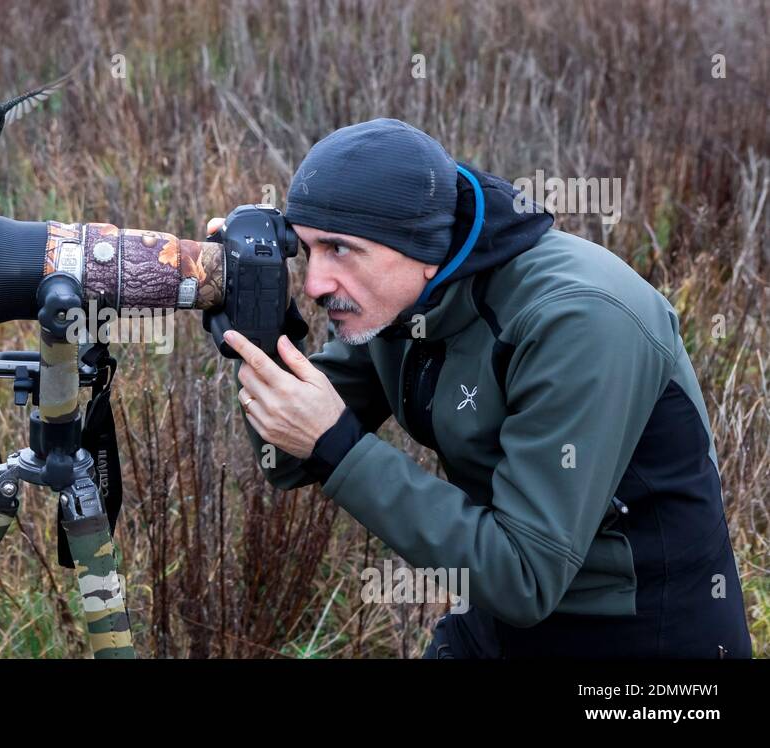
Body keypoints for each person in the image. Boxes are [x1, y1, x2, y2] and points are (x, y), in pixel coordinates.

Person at [224, 118, 752, 658]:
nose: (314, 284)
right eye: (307, 249)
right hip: (492, 613)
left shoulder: (578, 320)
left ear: (424, 247)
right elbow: (284, 459)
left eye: (339, 249)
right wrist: (258, 330)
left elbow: (526, 575)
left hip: (639, 631)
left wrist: (338, 446)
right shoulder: (402, 299)